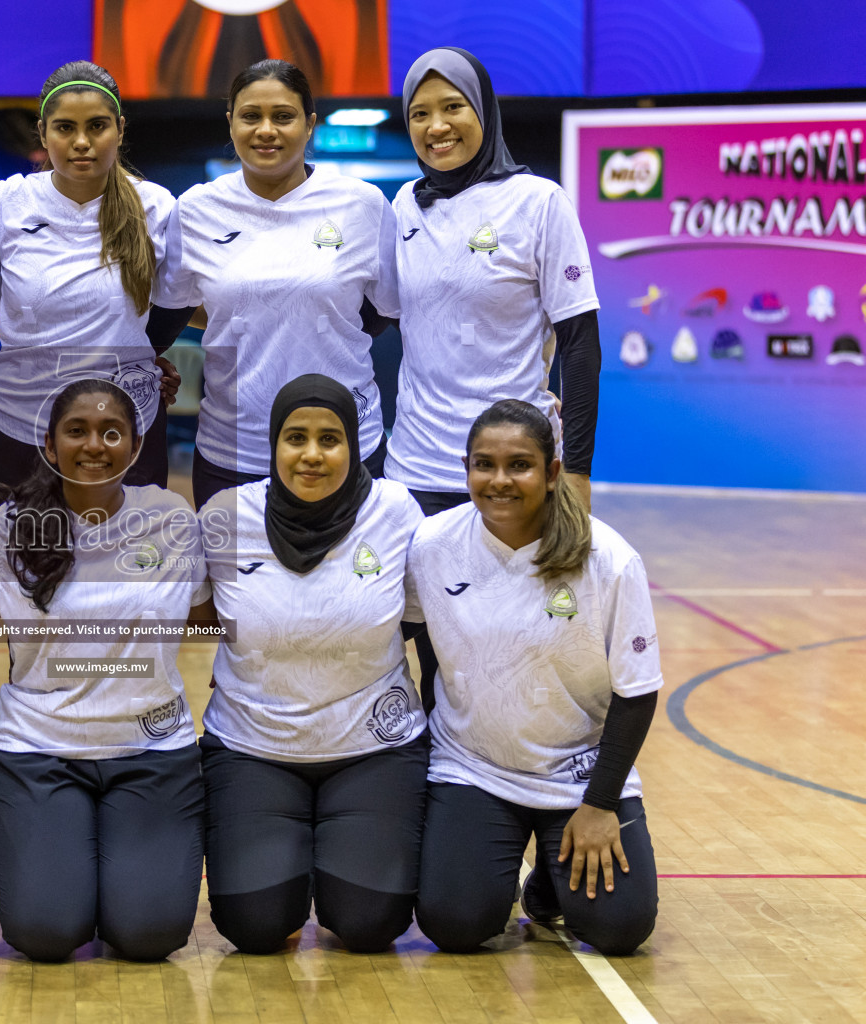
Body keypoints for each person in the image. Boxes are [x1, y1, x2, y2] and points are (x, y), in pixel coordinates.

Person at [0, 378, 209, 962]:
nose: (94, 444)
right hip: (38, 752)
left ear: (136, 443)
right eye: (77, 431)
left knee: (149, 936)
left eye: (111, 432)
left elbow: (205, 623)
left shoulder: (173, 520)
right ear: (50, 444)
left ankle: (117, 876)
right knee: (44, 934)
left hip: (151, 750)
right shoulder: (3, 527)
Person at [408, 400, 660, 957]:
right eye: (483, 464)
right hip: (472, 767)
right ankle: (516, 862)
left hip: (578, 773)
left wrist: (599, 805)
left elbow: (638, 693)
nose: (499, 481)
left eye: (519, 465)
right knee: (455, 924)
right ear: (466, 469)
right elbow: (382, 631)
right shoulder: (431, 547)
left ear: (551, 473)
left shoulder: (609, 559)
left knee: (620, 929)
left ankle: (549, 879)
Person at [195, 374, 428, 954]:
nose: (312, 455)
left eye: (330, 439)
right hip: (253, 748)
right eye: (295, 437)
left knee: (369, 925)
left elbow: (428, 628)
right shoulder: (227, 516)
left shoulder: (395, 511)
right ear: (274, 445)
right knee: (255, 928)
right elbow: (191, 616)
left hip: (373, 748)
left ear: (353, 444)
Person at [157, 58, 400, 509]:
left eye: (283, 116)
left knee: (348, 579)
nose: (266, 129)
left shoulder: (362, 205)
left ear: (309, 125)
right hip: (233, 449)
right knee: (236, 581)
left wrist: (323, 327)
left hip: (344, 443)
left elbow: (384, 311)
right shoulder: (195, 209)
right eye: (251, 116)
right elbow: (170, 312)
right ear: (231, 123)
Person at [388, 47, 600, 519]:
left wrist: (577, 473)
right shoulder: (404, 204)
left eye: (453, 107)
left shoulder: (539, 201)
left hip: (514, 468)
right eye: (419, 114)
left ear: (483, 109)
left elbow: (580, 345)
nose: (436, 126)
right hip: (413, 470)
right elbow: (365, 316)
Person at [0, 61, 185, 498]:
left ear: (120, 129)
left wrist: (139, 356)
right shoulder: (3, 204)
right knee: (19, 560)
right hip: (22, 420)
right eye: (65, 127)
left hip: (126, 424)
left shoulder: (156, 207)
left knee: (126, 562)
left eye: (98, 126)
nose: (82, 142)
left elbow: (178, 302)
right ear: (43, 132)